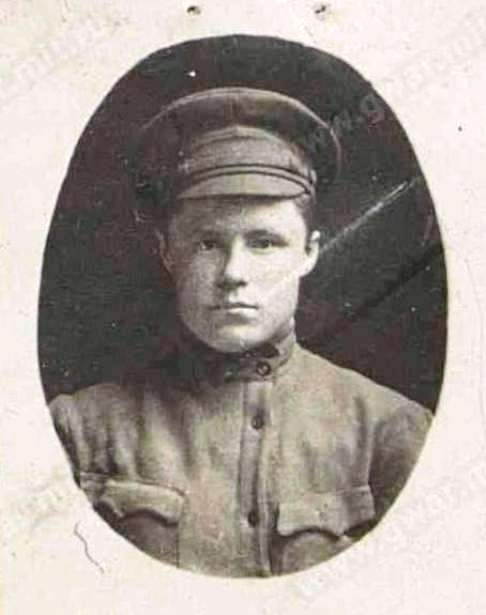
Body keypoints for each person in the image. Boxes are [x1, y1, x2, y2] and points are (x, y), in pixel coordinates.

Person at [50, 87, 432, 577]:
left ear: (310, 252)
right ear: (168, 252)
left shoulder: (390, 432)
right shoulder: (79, 431)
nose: (233, 272)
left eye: (264, 243)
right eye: (208, 243)